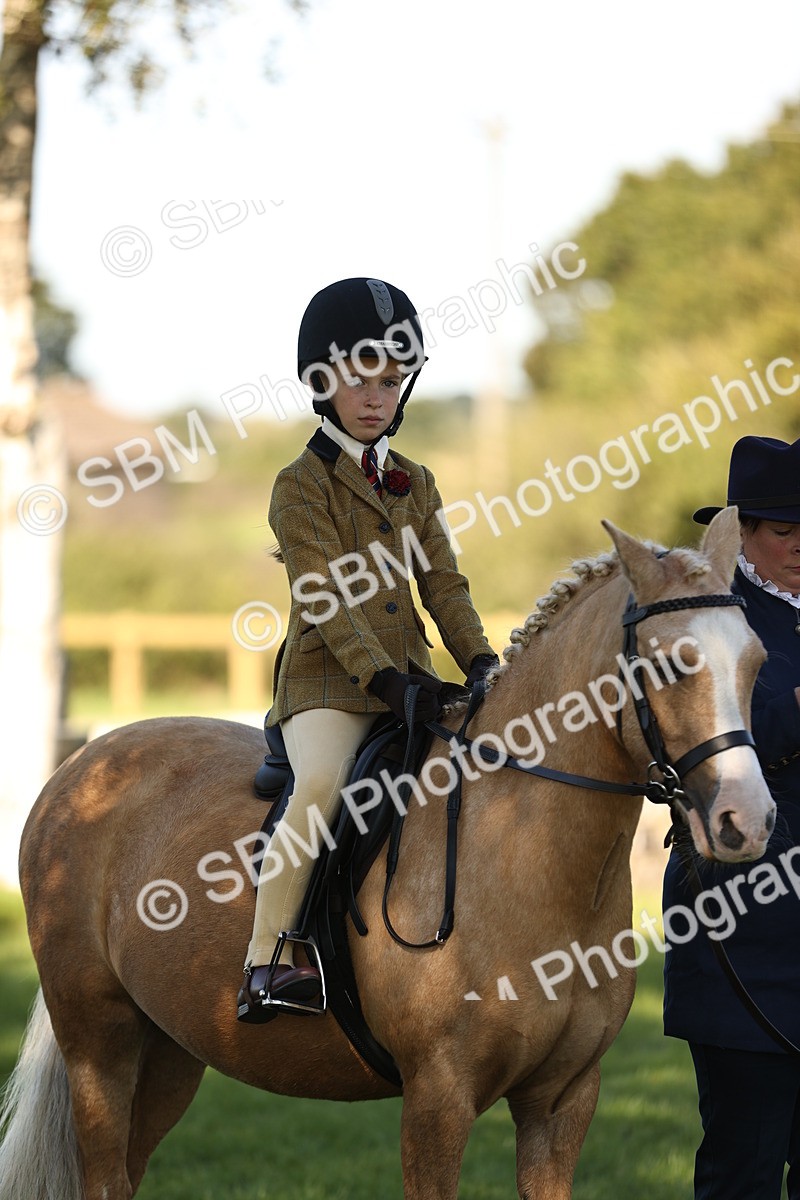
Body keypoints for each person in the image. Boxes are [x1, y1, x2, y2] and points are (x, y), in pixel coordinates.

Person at [237, 277, 498, 1022]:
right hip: (329, 686)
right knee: (322, 785)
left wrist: (480, 660)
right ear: (323, 383)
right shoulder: (299, 485)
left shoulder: (417, 482)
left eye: (390, 379)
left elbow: (443, 583)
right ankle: (266, 960)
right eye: (358, 378)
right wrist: (383, 679)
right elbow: (324, 597)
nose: (375, 397)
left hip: (412, 680)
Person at [663, 434, 800, 1199]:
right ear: (741, 531)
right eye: (784, 530)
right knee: (743, 1171)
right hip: (744, 932)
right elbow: (696, 751)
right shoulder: (708, 618)